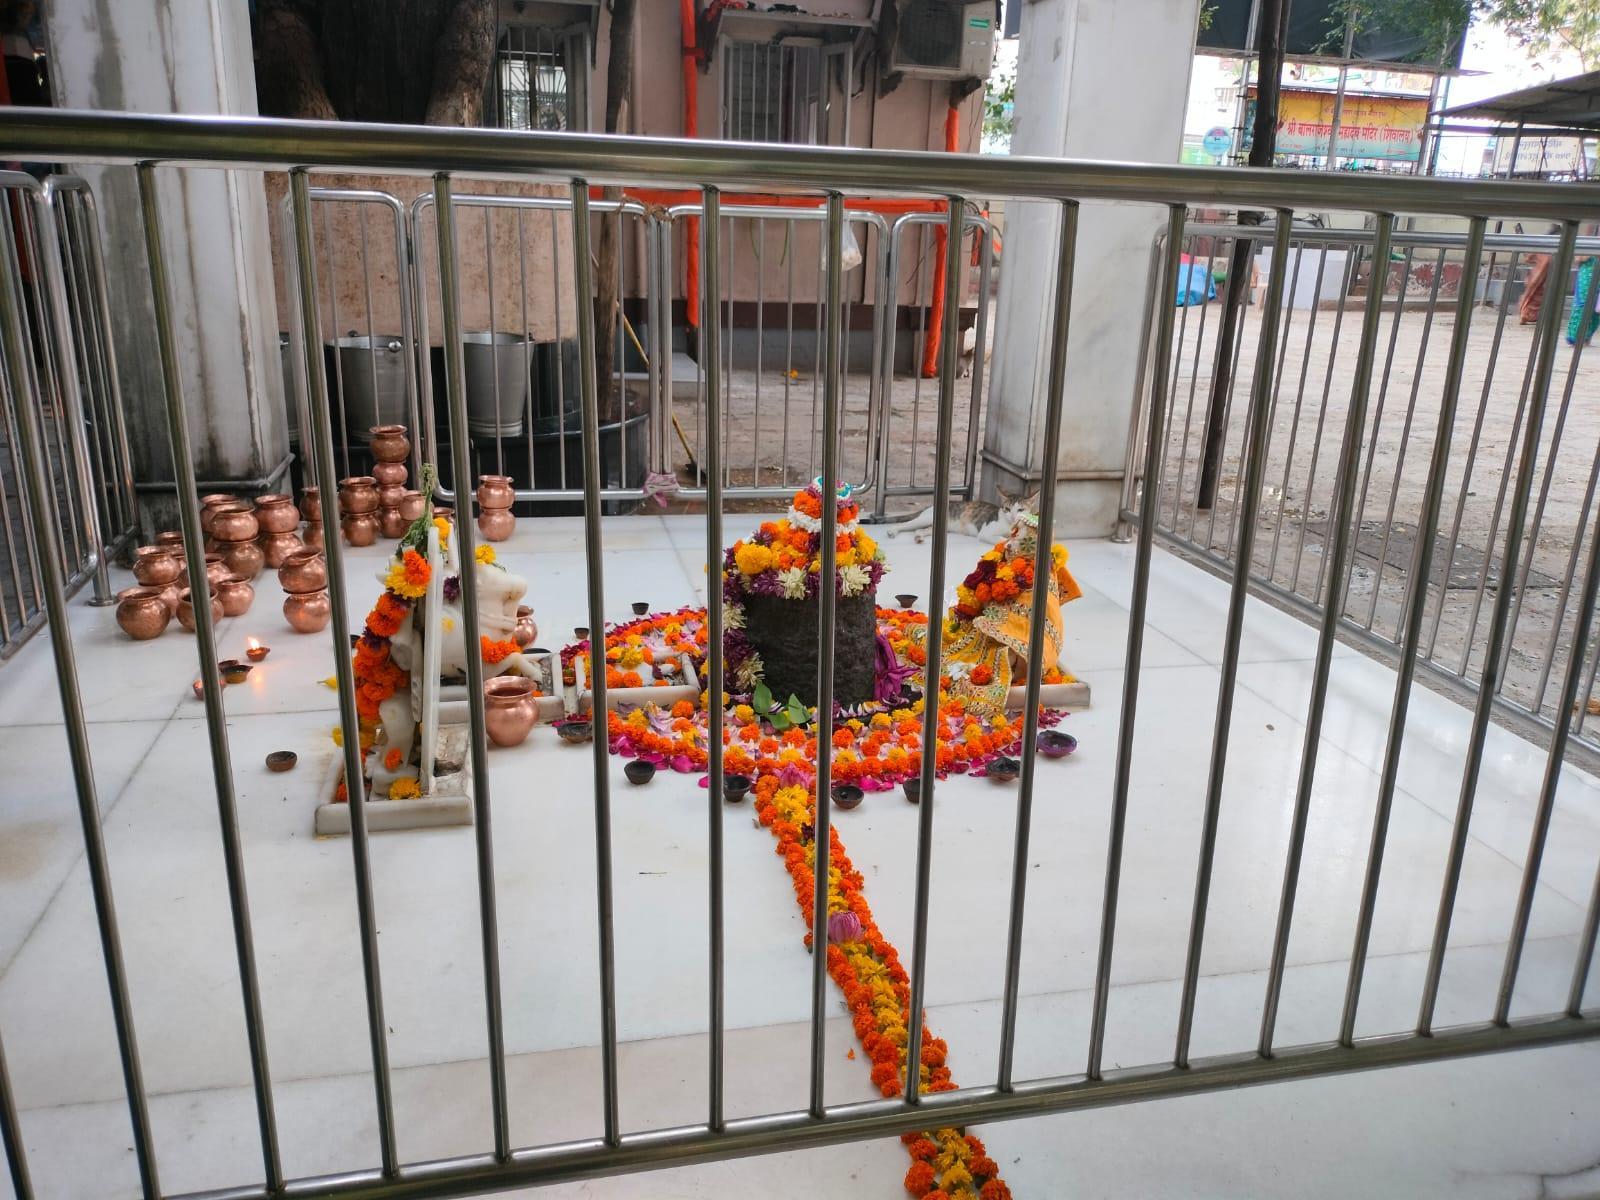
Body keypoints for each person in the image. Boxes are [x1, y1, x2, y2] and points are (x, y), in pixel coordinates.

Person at [941, 512, 1081, 710]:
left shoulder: (1041, 574)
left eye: (1017, 535)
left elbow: (1031, 622)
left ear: (1032, 541)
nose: (1008, 543)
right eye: (1012, 534)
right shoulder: (1003, 562)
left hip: (1021, 645)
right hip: (988, 634)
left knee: (1004, 659)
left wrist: (998, 627)